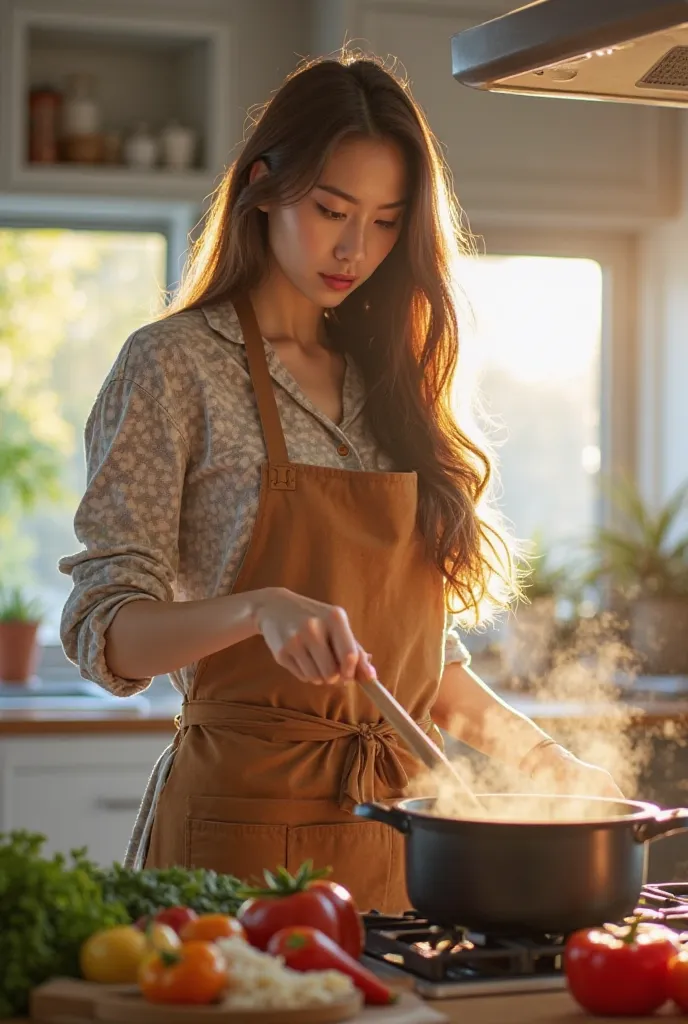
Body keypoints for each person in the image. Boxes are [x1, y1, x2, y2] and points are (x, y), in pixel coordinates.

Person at [60, 54, 620, 912]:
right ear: (263, 187)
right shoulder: (172, 366)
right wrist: (258, 608)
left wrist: (554, 772)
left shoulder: (388, 383)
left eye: (388, 222)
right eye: (331, 211)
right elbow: (104, 633)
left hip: (395, 836)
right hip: (236, 844)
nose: (355, 248)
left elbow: (418, 673)